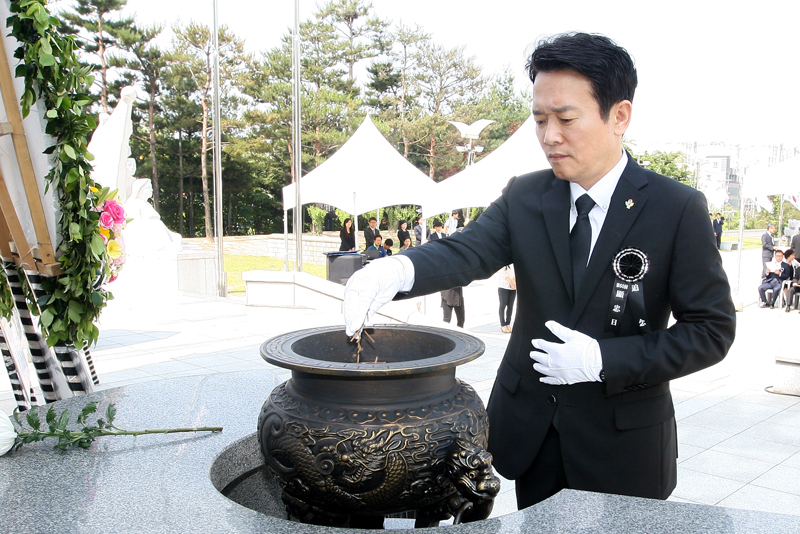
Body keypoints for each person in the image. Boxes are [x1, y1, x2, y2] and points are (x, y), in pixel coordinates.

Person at [343, 32, 735, 509]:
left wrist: (603, 361)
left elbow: (711, 331)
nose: (550, 136)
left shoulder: (675, 208)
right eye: (540, 119)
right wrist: (397, 270)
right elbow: (467, 251)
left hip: (622, 439)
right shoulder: (527, 195)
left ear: (620, 116)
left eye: (566, 118)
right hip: (534, 433)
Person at [498, 264, 517, 333]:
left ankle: (508, 323)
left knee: (510, 306)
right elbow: (502, 273)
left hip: (513, 287)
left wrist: (513, 281)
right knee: (503, 305)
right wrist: (511, 282)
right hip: (503, 287)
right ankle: (503, 324)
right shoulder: (503, 263)